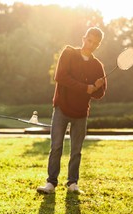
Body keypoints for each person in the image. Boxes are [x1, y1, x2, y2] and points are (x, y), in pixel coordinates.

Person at [37, 27, 107, 194]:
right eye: (89, 40)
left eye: (95, 43)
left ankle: (72, 184)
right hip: (62, 108)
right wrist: (86, 88)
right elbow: (60, 77)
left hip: (81, 113)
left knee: (76, 150)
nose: (91, 45)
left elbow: (100, 94)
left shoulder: (98, 66)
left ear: (98, 45)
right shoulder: (68, 53)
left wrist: (97, 87)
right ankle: (51, 184)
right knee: (56, 147)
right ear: (84, 38)